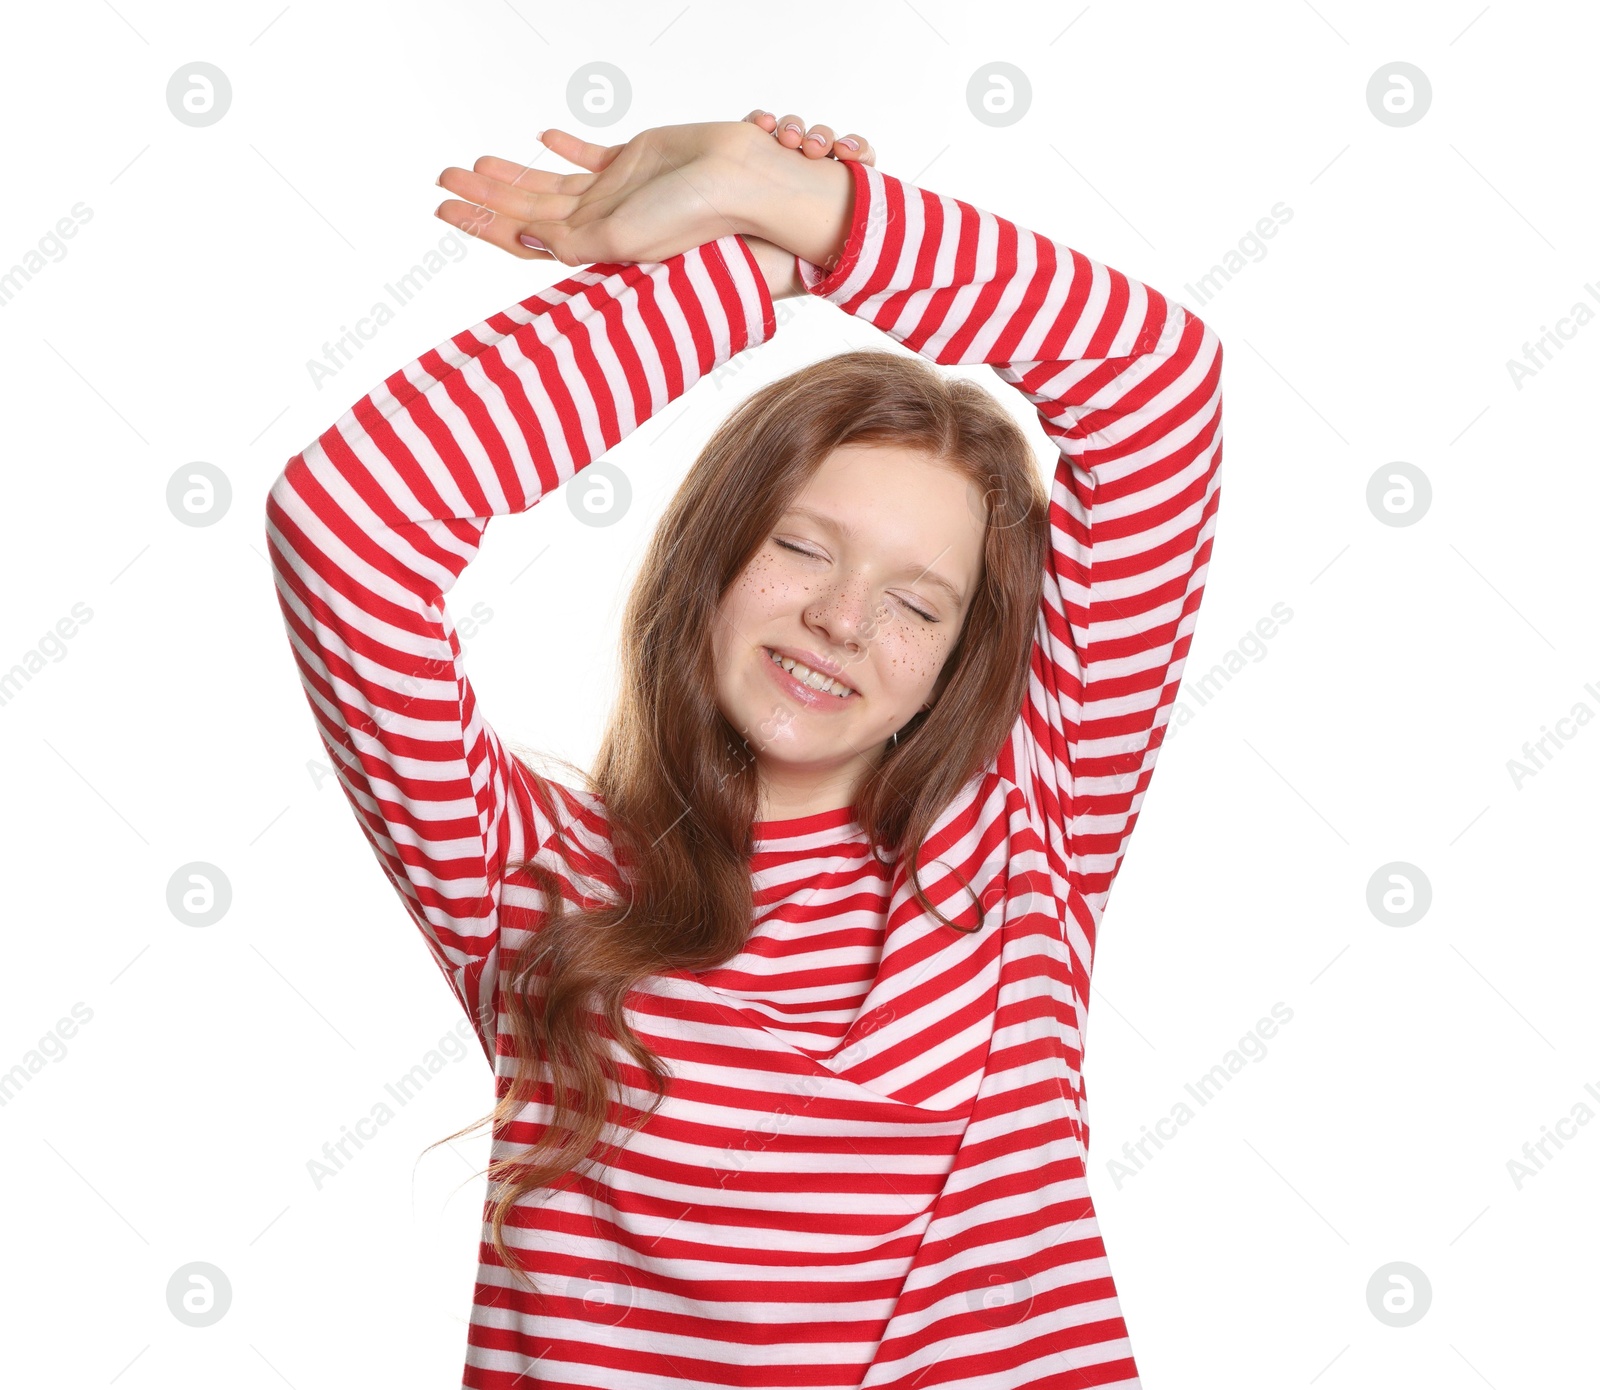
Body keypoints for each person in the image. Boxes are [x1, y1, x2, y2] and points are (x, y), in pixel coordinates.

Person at [266, 109, 1223, 1390]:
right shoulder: (529, 878)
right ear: (714, 556)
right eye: (802, 546)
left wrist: (793, 203)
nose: (840, 618)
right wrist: (737, 271)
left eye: (915, 602)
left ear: (956, 655)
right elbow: (348, 523)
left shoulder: (1028, 832)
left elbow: (1155, 383)